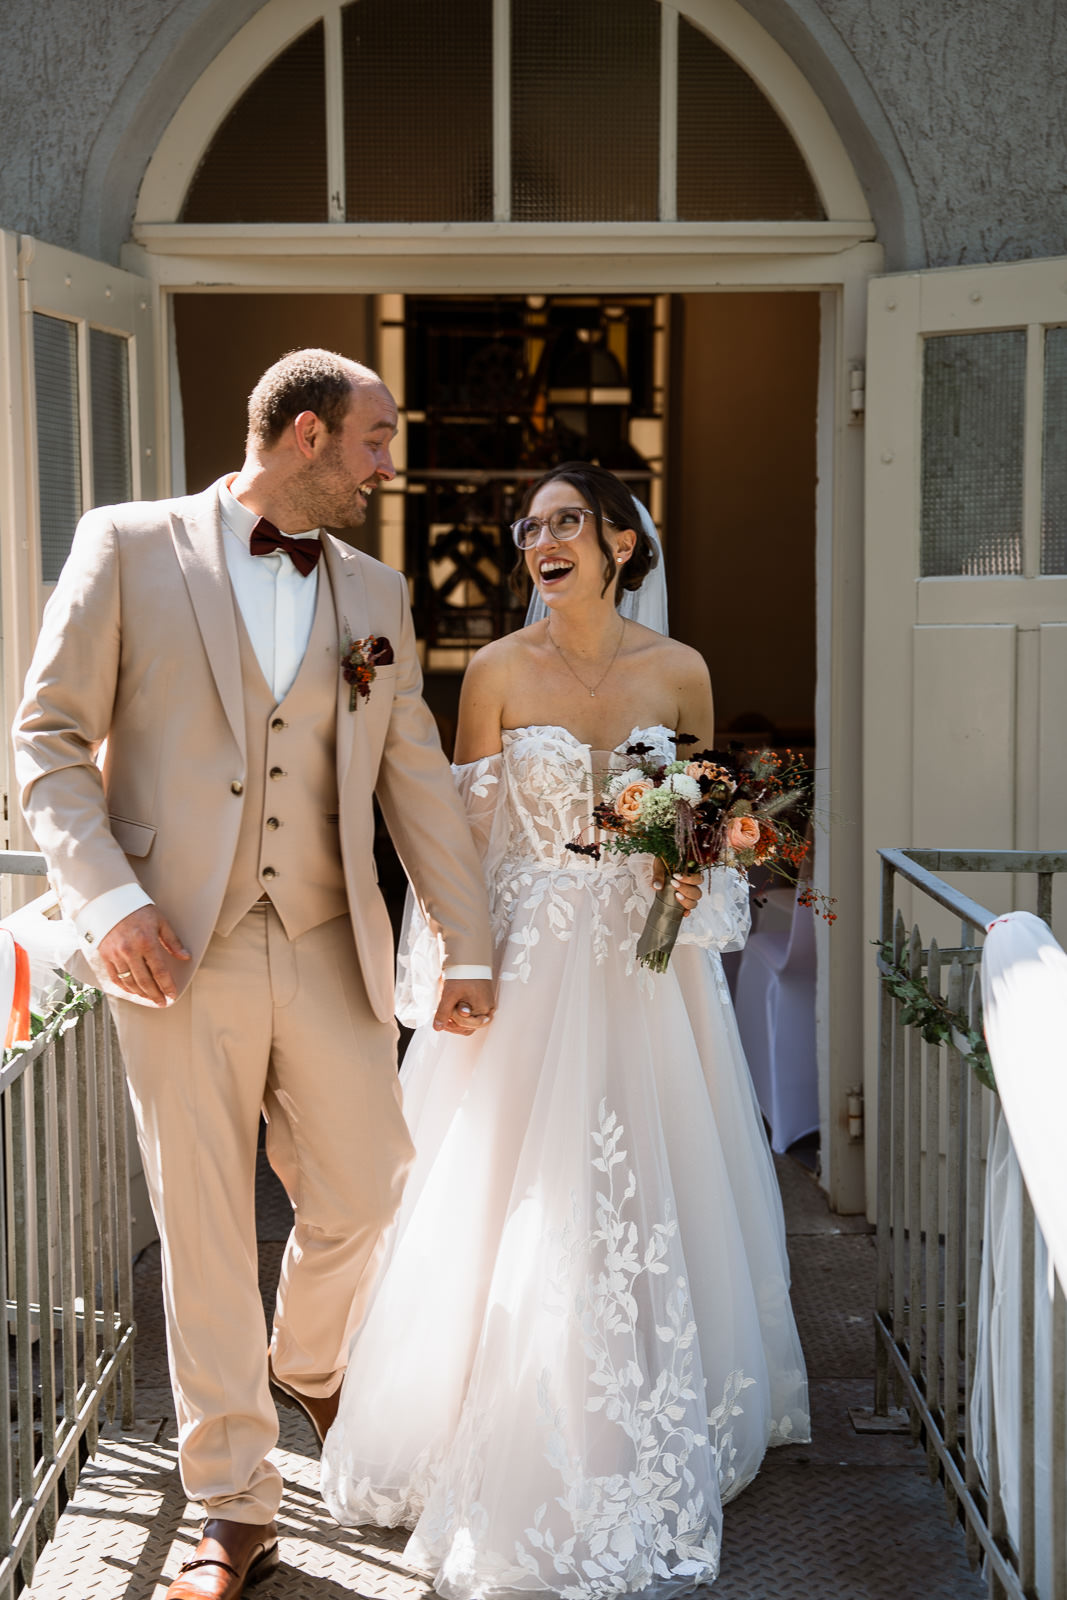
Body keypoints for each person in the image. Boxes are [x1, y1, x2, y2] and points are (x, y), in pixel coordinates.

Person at [13, 349, 495, 1600]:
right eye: (376, 440)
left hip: (330, 937)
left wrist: (471, 940)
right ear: (302, 436)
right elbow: (47, 742)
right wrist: (109, 900)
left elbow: (417, 779)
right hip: (174, 944)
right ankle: (235, 1503)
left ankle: (307, 1356)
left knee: (371, 1187)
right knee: (206, 1226)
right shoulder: (125, 545)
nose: (390, 467)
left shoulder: (377, 590)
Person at [320, 462, 811, 1597]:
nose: (539, 541)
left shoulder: (679, 672)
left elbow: (703, 828)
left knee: (648, 1178)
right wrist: (461, 962)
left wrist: (689, 878)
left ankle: (653, 1393)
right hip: (532, 961)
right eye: (528, 527)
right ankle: (484, 1409)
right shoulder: (491, 671)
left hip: (644, 973)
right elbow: (455, 834)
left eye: (563, 523)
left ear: (618, 546)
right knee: (508, 1184)